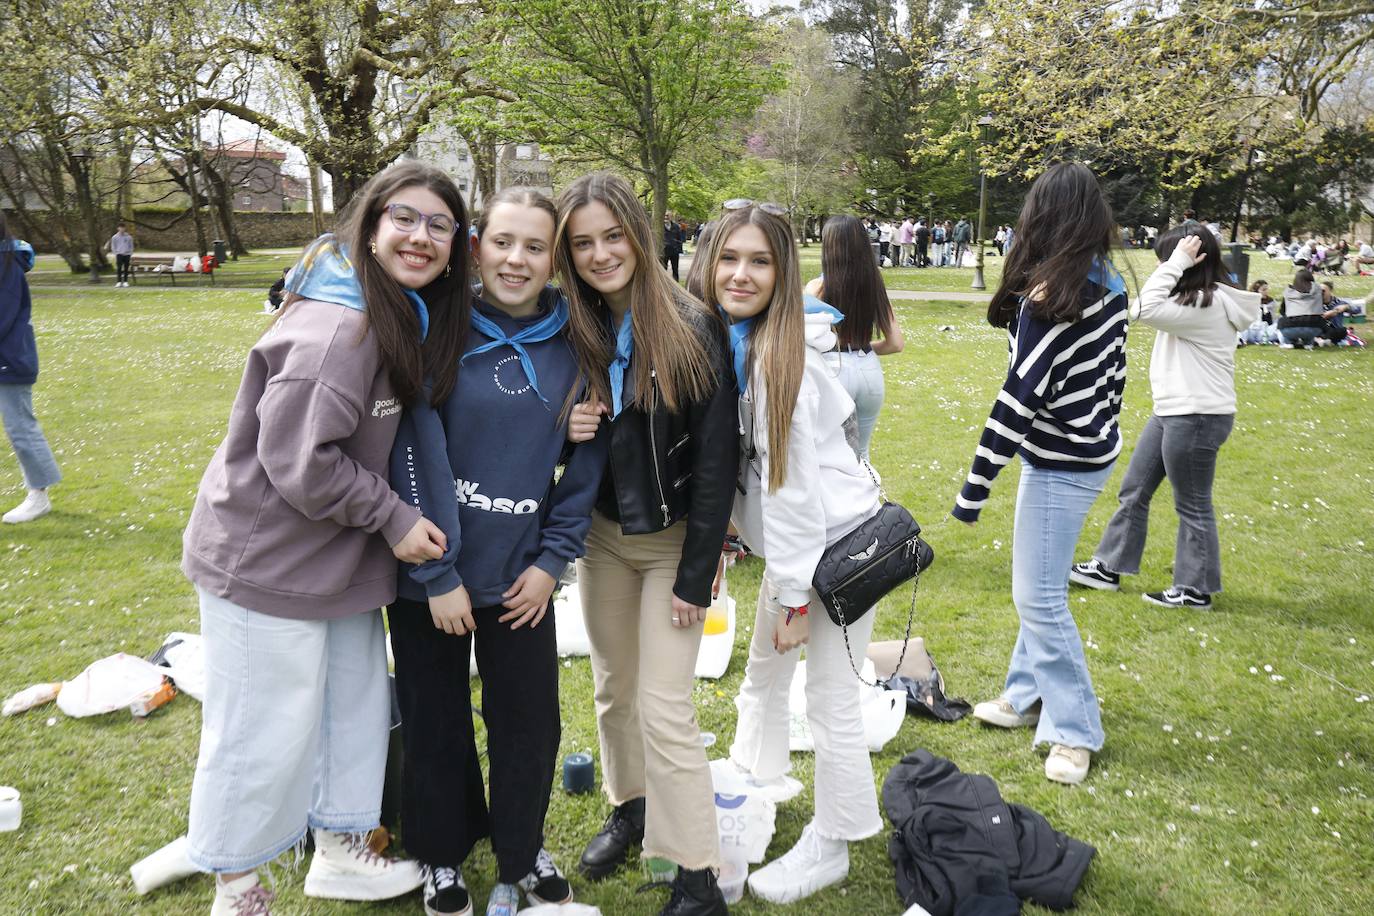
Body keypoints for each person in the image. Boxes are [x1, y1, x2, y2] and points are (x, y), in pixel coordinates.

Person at [180, 161, 466, 916]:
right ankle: (236, 881)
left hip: (336, 563)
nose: (421, 236)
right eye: (404, 218)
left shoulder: (395, 312)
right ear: (369, 227)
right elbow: (299, 461)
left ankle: (341, 845)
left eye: (441, 225)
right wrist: (395, 519)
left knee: (356, 702)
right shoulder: (340, 329)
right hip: (267, 559)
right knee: (261, 727)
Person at [387, 187, 608, 916]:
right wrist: (437, 573)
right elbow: (411, 454)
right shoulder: (439, 330)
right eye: (504, 242)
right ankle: (442, 856)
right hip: (434, 582)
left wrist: (551, 565)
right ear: (477, 246)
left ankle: (520, 847)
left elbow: (584, 474)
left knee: (529, 723)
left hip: (522, 583)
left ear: (555, 261)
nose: (517, 259)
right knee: (435, 719)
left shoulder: (577, 344)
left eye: (536, 247)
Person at [556, 172, 737, 916]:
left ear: (638, 231)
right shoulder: (572, 325)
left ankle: (697, 875)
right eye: (583, 243)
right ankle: (629, 809)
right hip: (602, 542)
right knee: (612, 689)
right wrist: (562, 429)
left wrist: (697, 575)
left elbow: (720, 460)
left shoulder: (694, 326)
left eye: (612, 235)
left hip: (671, 549)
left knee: (666, 708)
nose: (601, 254)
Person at [704, 203, 885, 904]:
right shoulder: (745, 342)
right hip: (799, 550)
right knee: (764, 671)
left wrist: (795, 597)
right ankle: (759, 771)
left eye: (759, 261)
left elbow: (792, 494)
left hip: (830, 552)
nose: (741, 274)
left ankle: (834, 841)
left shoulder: (781, 359)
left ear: (785, 274)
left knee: (831, 696)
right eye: (729, 258)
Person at [952, 162, 1130, 786]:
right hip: (1087, 453)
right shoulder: (1103, 282)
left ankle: (1074, 729)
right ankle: (1026, 693)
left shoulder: (1058, 299)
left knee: (1040, 597)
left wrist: (974, 487)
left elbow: (1017, 400)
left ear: (1039, 216)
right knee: (1044, 583)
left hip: (1064, 462)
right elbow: (1111, 381)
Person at [1070, 227, 1259, 611]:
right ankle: (1108, 567)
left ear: (1192, 262)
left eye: (1167, 258)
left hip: (1197, 416)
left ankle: (1195, 589)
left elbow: (1142, 309)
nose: (1160, 266)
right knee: (1134, 489)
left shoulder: (1210, 304)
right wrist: (1176, 263)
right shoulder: (1195, 299)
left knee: (1192, 504)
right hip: (1174, 411)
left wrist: (1177, 261)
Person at [803, 215, 905, 460]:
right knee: (862, 454)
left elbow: (806, 340)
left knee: (830, 458)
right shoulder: (875, 285)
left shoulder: (817, 287)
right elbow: (895, 343)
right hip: (869, 370)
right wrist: (861, 345)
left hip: (834, 369)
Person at [1, 214, 60, 524]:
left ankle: (38, 495)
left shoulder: (6, 264)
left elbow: (4, 316)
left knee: (20, 428)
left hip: (9, 359)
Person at [1277, 269, 1326, 348]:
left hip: (1290, 328)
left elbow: (1282, 311)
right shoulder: (1318, 290)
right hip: (1314, 328)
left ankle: (1288, 342)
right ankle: (1308, 343)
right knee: (1314, 320)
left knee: (1281, 320)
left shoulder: (1289, 292)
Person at [1238, 280, 1281, 345]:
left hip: (1264, 330)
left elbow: (1271, 320)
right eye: (1263, 290)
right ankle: (1242, 341)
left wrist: (1266, 312)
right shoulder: (1250, 301)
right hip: (1251, 330)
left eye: (1267, 289)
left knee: (1280, 321)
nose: (1266, 292)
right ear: (1257, 290)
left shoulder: (1270, 302)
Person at [108, 221, 134, 287]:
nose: (122, 229)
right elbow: (113, 246)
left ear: (125, 228)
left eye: (123, 228)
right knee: (119, 268)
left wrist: (130, 253)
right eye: (120, 228)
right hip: (119, 254)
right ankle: (119, 281)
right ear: (118, 228)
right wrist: (116, 253)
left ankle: (125, 281)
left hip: (127, 254)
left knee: (126, 268)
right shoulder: (115, 237)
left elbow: (131, 246)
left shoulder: (128, 237)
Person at [662, 214, 686, 281]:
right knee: (663, 269)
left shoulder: (676, 226)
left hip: (674, 251)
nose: (666, 217)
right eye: (665, 216)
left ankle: (676, 283)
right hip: (664, 251)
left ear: (670, 217)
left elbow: (679, 238)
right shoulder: (660, 226)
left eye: (667, 216)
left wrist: (679, 249)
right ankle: (664, 283)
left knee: (675, 269)